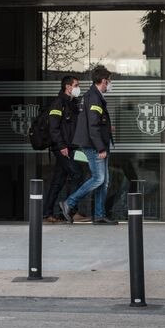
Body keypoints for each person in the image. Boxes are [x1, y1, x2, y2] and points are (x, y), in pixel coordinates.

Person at [60, 65, 117, 225]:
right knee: (98, 179)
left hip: (97, 143)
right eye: (109, 81)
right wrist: (100, 148)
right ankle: (69, 203)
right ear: (104, 81)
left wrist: (107, 129)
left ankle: (99, 215)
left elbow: (96, 122)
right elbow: (93, 126)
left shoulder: (94, 95)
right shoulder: (94, 97)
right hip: (94, 145)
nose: (110, 84)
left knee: (103, 181)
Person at [42, 76, 90, 223]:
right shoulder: (58, 103)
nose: (78, 88)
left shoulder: (72, 103)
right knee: (77, 174)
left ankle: (47, 213)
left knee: (58, 180)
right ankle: (70, 209)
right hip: (62, 148)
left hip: (71, 147)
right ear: (68, 87)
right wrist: (62, 146)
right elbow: (53, 127)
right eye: (76, 85)